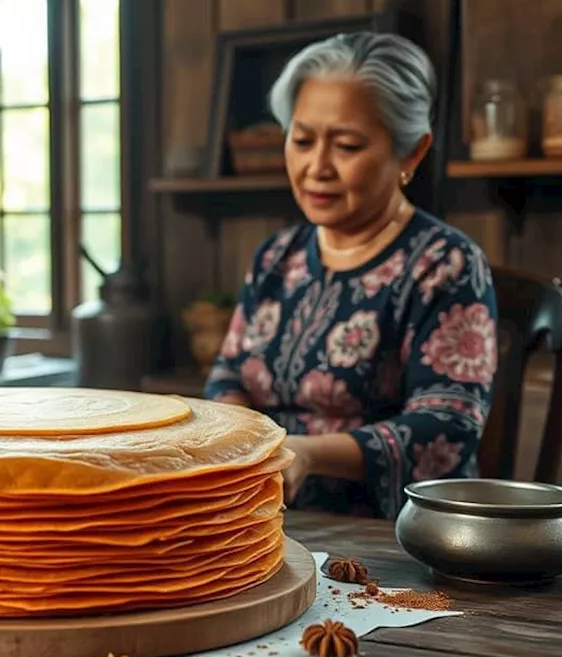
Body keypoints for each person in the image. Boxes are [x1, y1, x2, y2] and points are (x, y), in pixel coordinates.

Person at [204, 32, 498, 519]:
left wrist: (309, 455)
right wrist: (243, 447)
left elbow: (448, 425)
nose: (316, 167)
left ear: (411, 154)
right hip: (269, 519)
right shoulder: (277, 256)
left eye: (346, 145)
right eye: (301, 141)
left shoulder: (444, 264)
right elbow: (228, 374)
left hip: (398, 531)